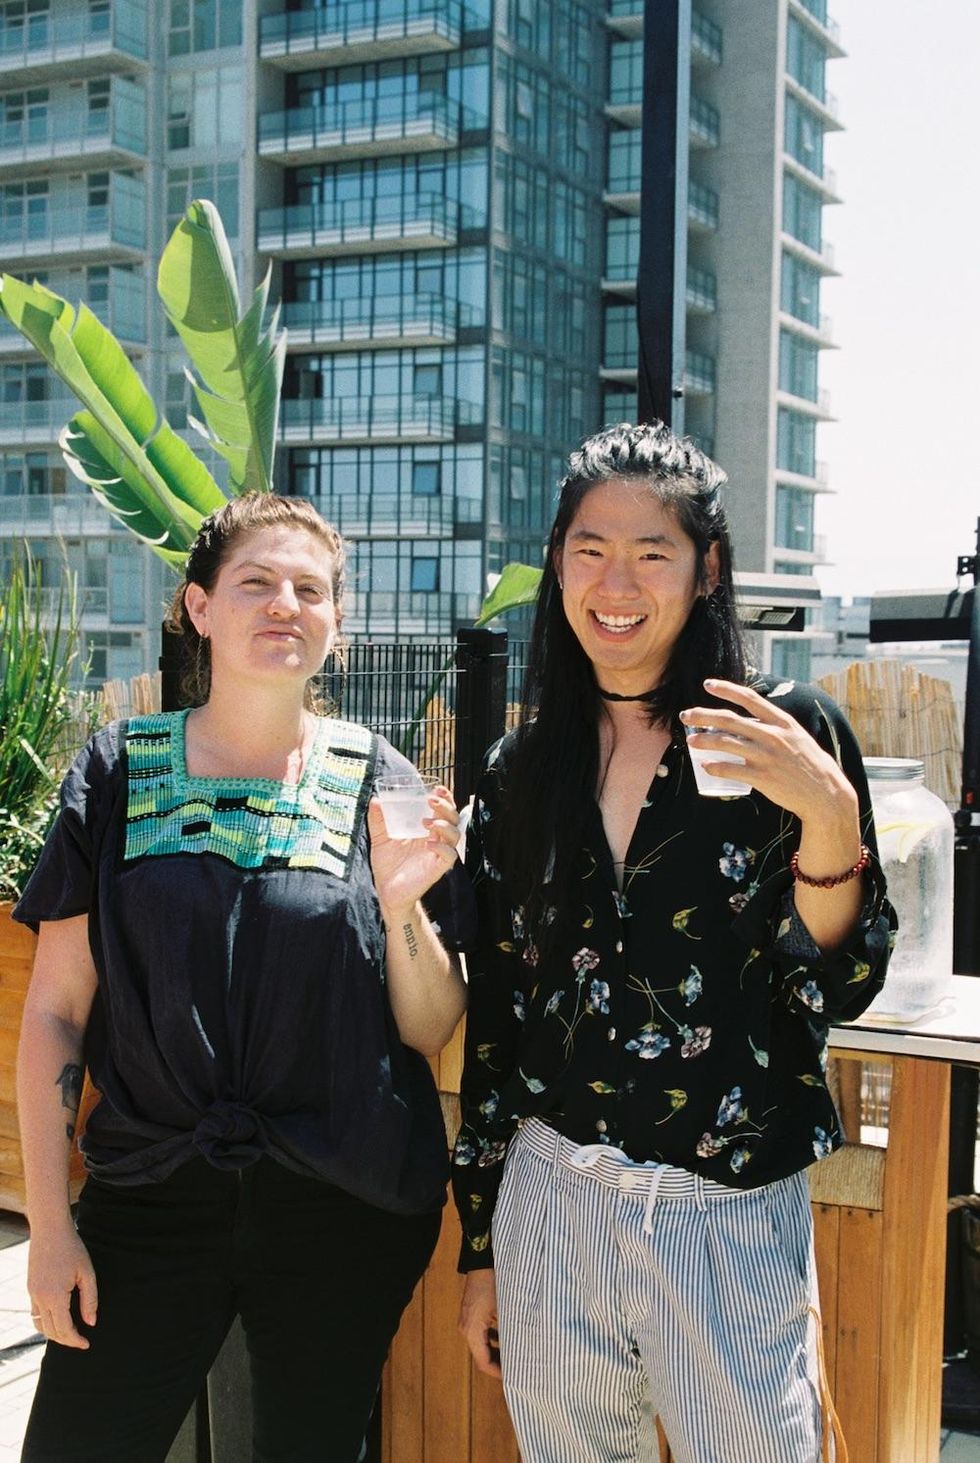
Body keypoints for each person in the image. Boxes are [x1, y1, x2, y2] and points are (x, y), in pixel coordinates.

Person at [453, 422, 895, 1463]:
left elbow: (848, 986)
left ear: (705, 572)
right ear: (556, 563)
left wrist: (829, 824)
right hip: (552, 1198)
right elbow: (499, 1019)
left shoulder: (781, 730)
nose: (616, 579)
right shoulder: (521, 768)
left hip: (726, 1208)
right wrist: (480, 1242)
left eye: (651, 550)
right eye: (588, 547)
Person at [14, 493, 471, 1462]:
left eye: (309, 589)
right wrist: (51, 1229)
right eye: (256, 581)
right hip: (148, 1193)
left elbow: (430, 1028)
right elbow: (55, 1011)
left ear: (336, 626)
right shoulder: (116, 772)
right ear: (199, 606)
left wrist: (400, 902)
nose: (283, 604)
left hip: (336, 1202)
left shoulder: (376, 776)